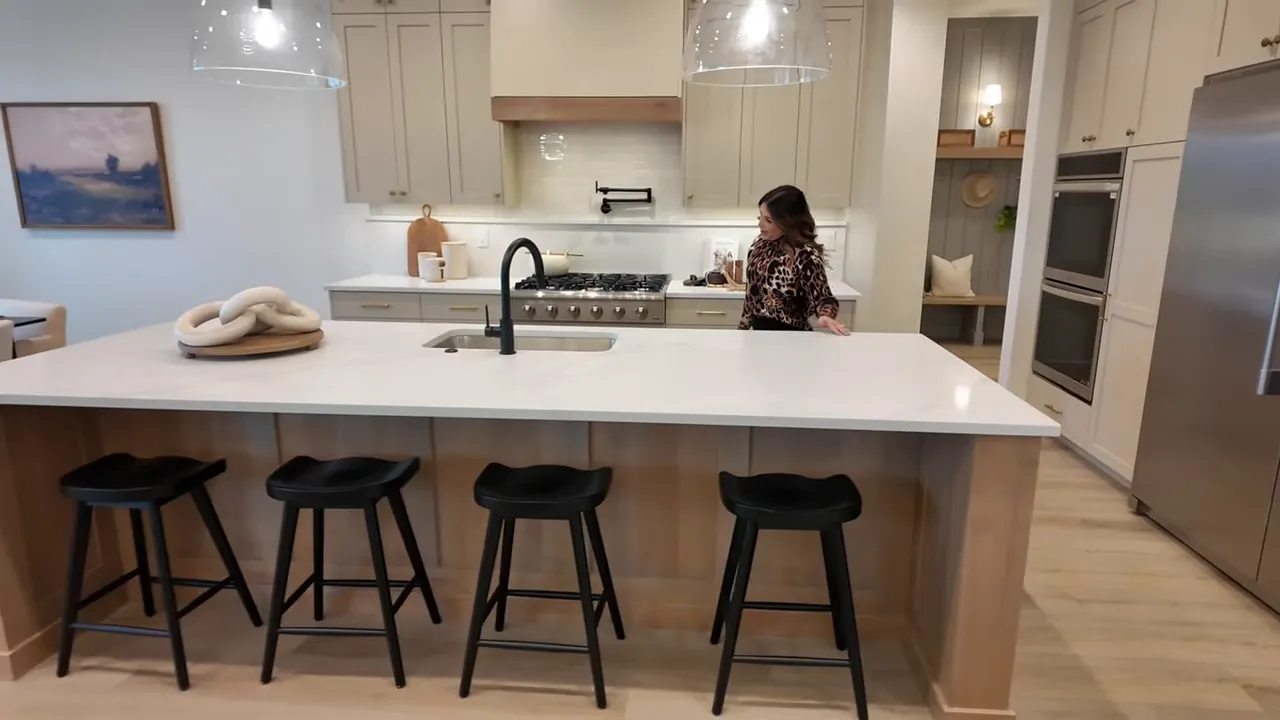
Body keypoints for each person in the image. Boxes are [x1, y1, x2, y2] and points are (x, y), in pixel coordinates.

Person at [737, 185, 850, 334]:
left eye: (768, 220)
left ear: (788, 221)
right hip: (758, 335)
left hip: (791, 336)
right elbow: (751, 295)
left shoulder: (805, 255)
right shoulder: (759, 244)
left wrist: (825, 316)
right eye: (760, 217)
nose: (760, 224)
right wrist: (742, 329)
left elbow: (824, 298)